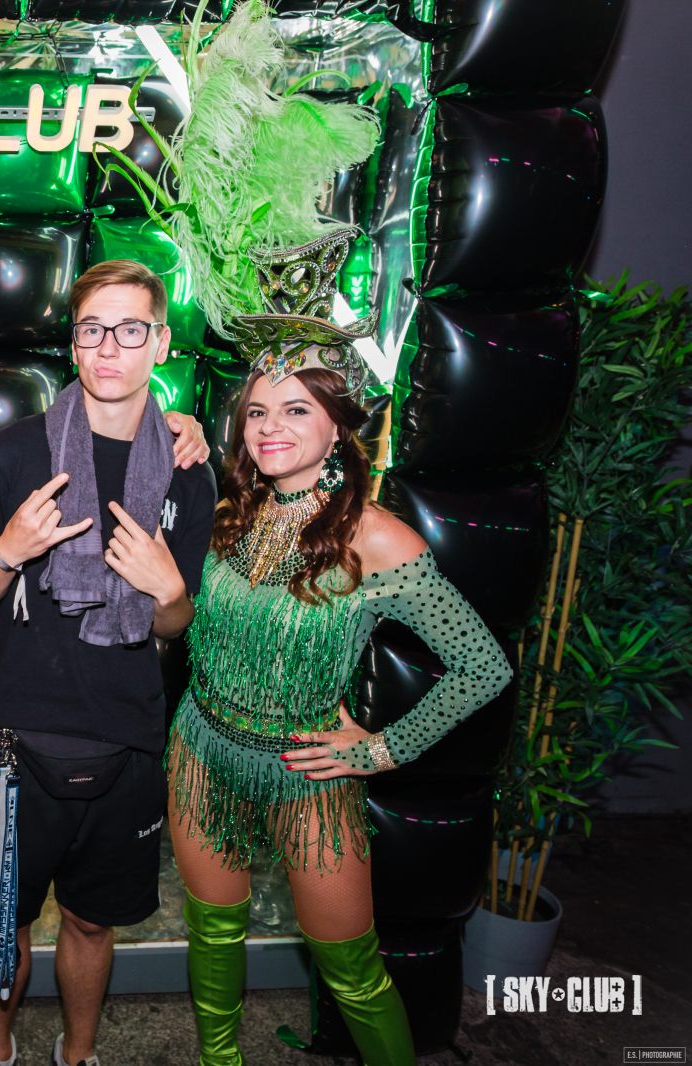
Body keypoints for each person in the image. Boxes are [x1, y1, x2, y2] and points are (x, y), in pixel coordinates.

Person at [166, 231, 513, 1066]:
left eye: (296, 410)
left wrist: (382, 747)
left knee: (353, 970)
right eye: (257, 411)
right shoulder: (228, 511)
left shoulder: (376, 538)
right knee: (214, 937)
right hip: (201, 749)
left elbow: (483, 666)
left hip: (309, 774)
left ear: (338, 425)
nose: (269, 428)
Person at [0, 259, 218, 1066]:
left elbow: (177, 625)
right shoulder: (17, 449)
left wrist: (169, 590)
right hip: (16, 733)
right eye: (93, 329)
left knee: (92, 921)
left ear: (160, 344)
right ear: (73, 344)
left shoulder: (188, 470)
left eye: (130, 330)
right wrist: (10, 548)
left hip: (126, 732)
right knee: (3, 922)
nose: (109, 347)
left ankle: (78, 1054)